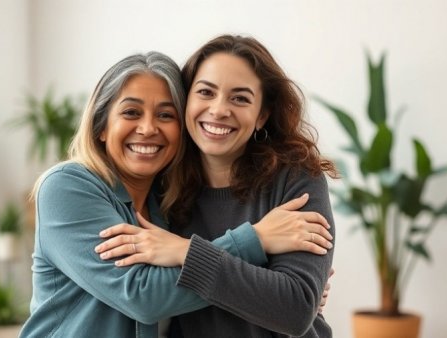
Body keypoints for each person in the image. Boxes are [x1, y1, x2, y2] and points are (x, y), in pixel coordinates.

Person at [19, 51, 333, 338]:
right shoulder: (68, 187)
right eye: (131, 112)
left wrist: (294, 294)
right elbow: (144, 296)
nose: (147, 128)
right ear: (101, 126)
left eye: (166, 115)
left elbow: (291, 306)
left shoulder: (167, 200)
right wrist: (256, 241)